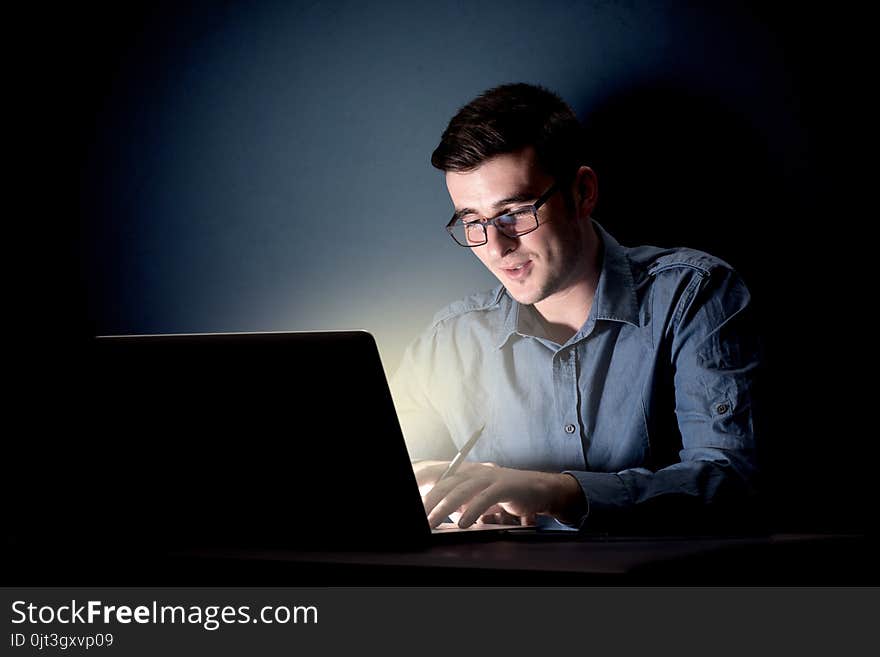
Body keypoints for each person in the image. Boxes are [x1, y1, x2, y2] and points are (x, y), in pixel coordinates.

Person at [390, 83, 761, 534]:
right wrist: (444, 495)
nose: (497, 247)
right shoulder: (450, 339)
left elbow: (731, 481)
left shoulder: (693, 295)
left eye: (516, 212)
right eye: (473, 222)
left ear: (583, 192)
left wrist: (558, 491)